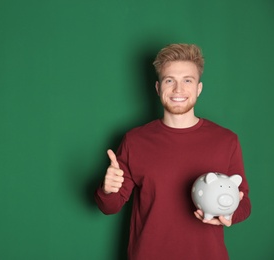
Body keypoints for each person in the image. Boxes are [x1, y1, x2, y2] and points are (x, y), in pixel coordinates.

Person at [94, 43, 251, 260]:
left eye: (188, 80)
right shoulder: (135, 140)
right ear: (158, 88)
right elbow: (109, 207)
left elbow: (244, 201)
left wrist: (229, 215)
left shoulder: (226, 140)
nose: (178, 90)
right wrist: (108, 190)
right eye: (170, 80)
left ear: (199, 88)